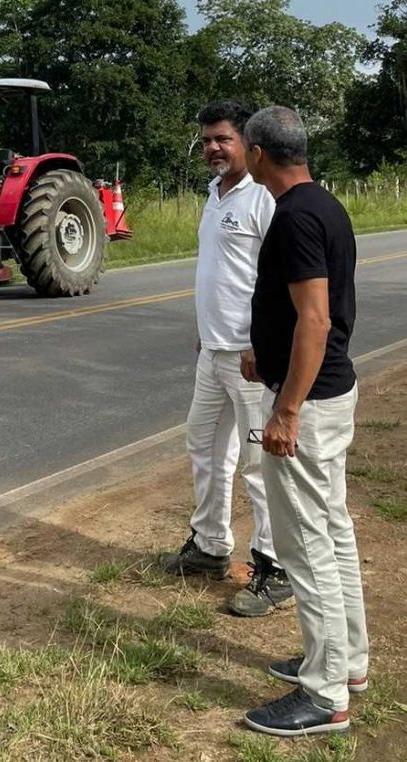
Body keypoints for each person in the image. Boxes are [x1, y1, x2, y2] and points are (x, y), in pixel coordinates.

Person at [240, 105, 368, 737]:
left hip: (309, 405)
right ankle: (347, 665)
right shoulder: (325, 206)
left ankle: (324, 697)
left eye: (242, 148)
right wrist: (264, 356)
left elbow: (315, 320)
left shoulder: (293, 218)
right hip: (328, 392)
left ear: (260, 153)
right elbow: (311, 316)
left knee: (306, 546)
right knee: (334, 530)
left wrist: (285, 410)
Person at [158, 101, 292, 618]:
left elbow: (278, 279)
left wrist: (263, 340)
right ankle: (211, 545)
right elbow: (219, 274)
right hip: (212, 351)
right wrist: (204, 330)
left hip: (251, 357)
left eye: (223, 139)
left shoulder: (263, 197)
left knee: (259, 464)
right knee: (205, 446)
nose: (213, 148)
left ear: (248, 144)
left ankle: (274, 566)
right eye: (207, 140)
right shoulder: (214, 195)